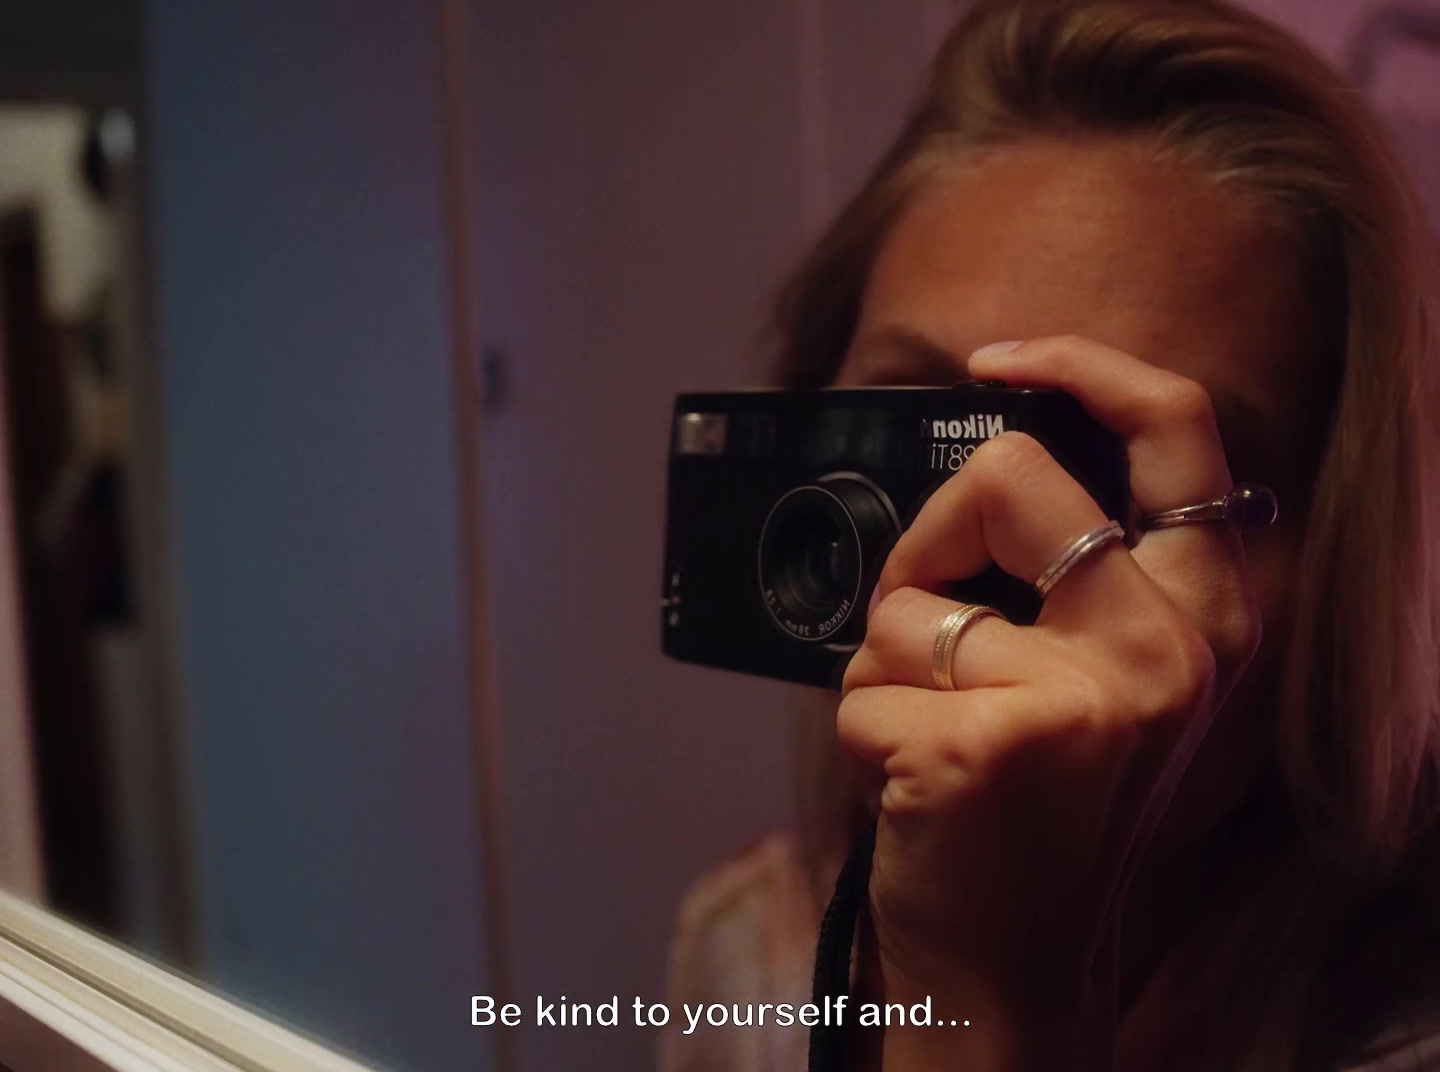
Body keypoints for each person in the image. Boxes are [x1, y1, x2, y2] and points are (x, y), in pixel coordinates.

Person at [659, 0, 1440, 1069]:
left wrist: (986, 1001)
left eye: (1119, 473)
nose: (995, 527)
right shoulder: (749, 953)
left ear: (1347, 554)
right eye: (920, 423)